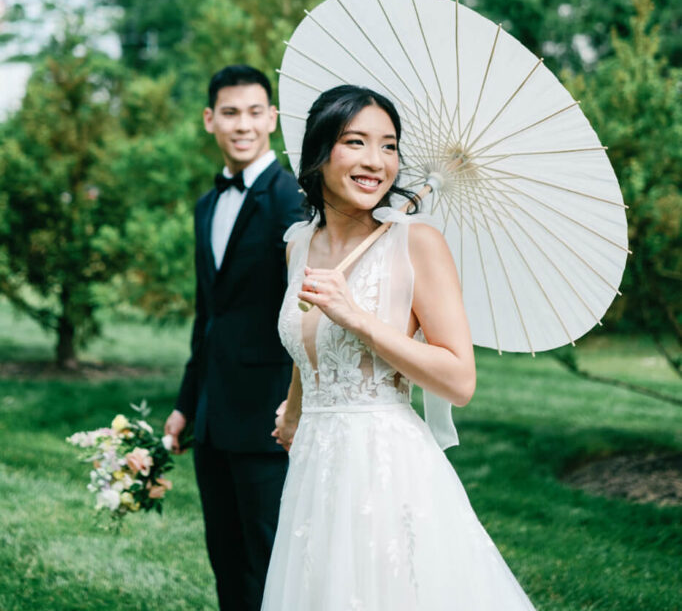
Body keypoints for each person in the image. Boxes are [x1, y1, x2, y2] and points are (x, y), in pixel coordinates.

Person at [262, 84, 537, 610]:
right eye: (356, 142)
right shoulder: (300, 243)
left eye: (389, 146)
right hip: (315, 467)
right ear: (319, 154)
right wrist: (295, 411)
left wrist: (358, 318)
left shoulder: (417, 243)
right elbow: (307, 342)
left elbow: (459, 381)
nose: (377, 161)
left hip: (385, 466)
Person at [164, 65, 304, 611]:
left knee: (271, 561)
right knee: (226, 559)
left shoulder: (292, 198)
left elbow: (306, 309)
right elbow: (210, 318)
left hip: (270, 418)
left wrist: (296, 403)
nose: (242, 124)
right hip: (213, 419)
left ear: (271, 117)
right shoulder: (207, 206)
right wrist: (184, 406)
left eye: (253, 112)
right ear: (209, 120)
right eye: (229, 113)